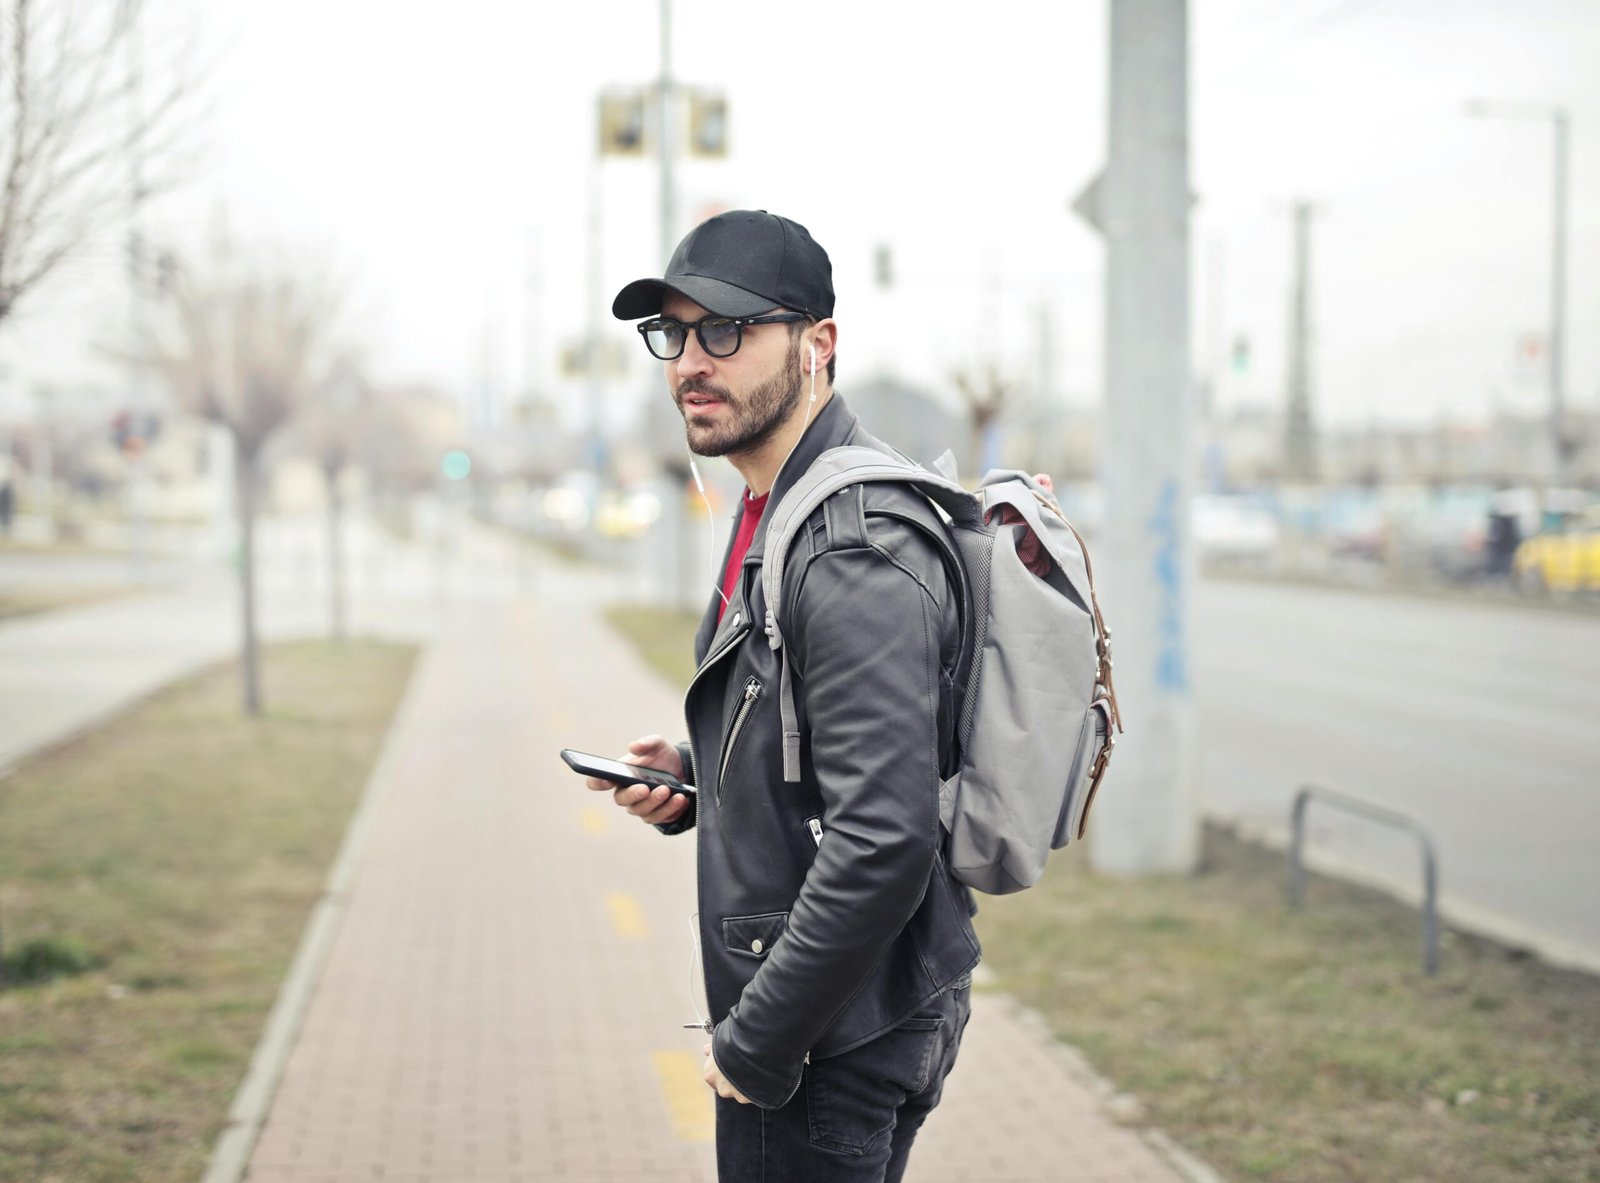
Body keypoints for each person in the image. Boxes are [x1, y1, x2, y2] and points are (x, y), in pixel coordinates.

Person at [590, 210, 979, 1182]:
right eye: (673, 333)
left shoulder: (848, 545)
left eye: (726, 329)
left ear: (818, 345)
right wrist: (698, 785)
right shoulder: (777, 505)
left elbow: (882, 836)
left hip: (826, 1034)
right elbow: (821, 752)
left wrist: (756, 1039)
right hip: (831, 1010)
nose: (690, 361)